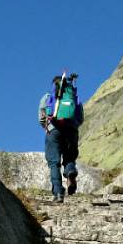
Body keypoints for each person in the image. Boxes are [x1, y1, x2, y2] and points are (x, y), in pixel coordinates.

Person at [38, 73, 84, 202]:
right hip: (71, 131)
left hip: (54, 131)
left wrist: (48, 127)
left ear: (54, 85)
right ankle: (70, 172)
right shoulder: (74, 98)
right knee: (69, 157)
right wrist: (72, 125)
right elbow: (80, 118)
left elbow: (42, 118)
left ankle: (58, 192)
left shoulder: (47, 97)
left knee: (54, 163)